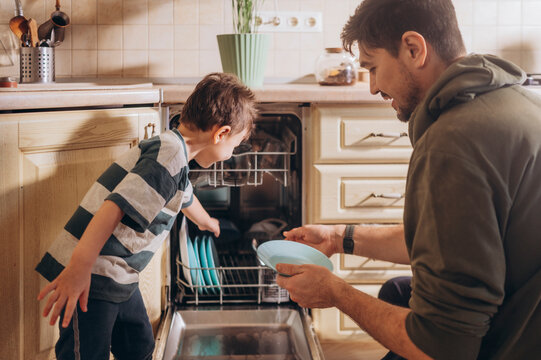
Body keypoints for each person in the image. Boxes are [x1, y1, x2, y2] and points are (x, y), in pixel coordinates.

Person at [276, 0, 541, 359]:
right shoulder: (520, 103)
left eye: (373, 68)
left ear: (414, 49)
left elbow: (440, 348)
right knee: (398, 292)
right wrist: (339, 238)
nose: (372, 87)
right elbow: (453, 239)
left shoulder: (453, 143)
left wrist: (336, 292)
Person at [35, 72, 257, 360]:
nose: (230, 154)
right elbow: (113, 207)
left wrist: (205, 221)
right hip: (93, 274)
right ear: (221, 133)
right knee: (86, 353)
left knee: (139, 346)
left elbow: (185, 195)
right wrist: (79, 269)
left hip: (120, 274)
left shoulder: (174, 152)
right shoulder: (168, 158)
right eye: (235, 146)